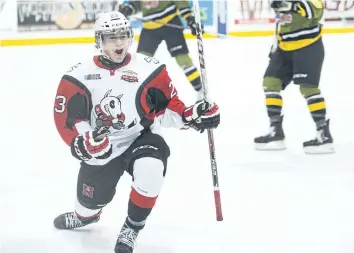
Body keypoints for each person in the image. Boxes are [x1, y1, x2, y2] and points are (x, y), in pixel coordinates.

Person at [52, 11, 220, 253]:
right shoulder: (77, 75)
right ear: (99, 41)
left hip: (140, 137)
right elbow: (68, 117)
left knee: (151, 168)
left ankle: (131, 228)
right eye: (111, 38)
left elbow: (167, 109)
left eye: (123, 36)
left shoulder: (149, 69)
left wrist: (192, 115)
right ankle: (86, 216)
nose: (119, 43)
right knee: (87, 205)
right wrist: (85, 142)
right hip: (101, 147)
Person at [254, 0, 334, 154]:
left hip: (308, 46)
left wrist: (291, 5)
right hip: (284, 49)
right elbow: (282, 22)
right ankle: (275, 132)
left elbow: (315, 12)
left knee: (308, 88)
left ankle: (324, 135)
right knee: (270, 82)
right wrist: (275, 44)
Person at [118, 0, 204, 98]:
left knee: (183, 59)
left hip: (170, 22)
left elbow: (181, 2)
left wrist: (190, 18)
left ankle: (200, 90)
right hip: (149, 28)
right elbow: (137, 3)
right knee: (141, 62)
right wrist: (129, 9)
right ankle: (136, 96)